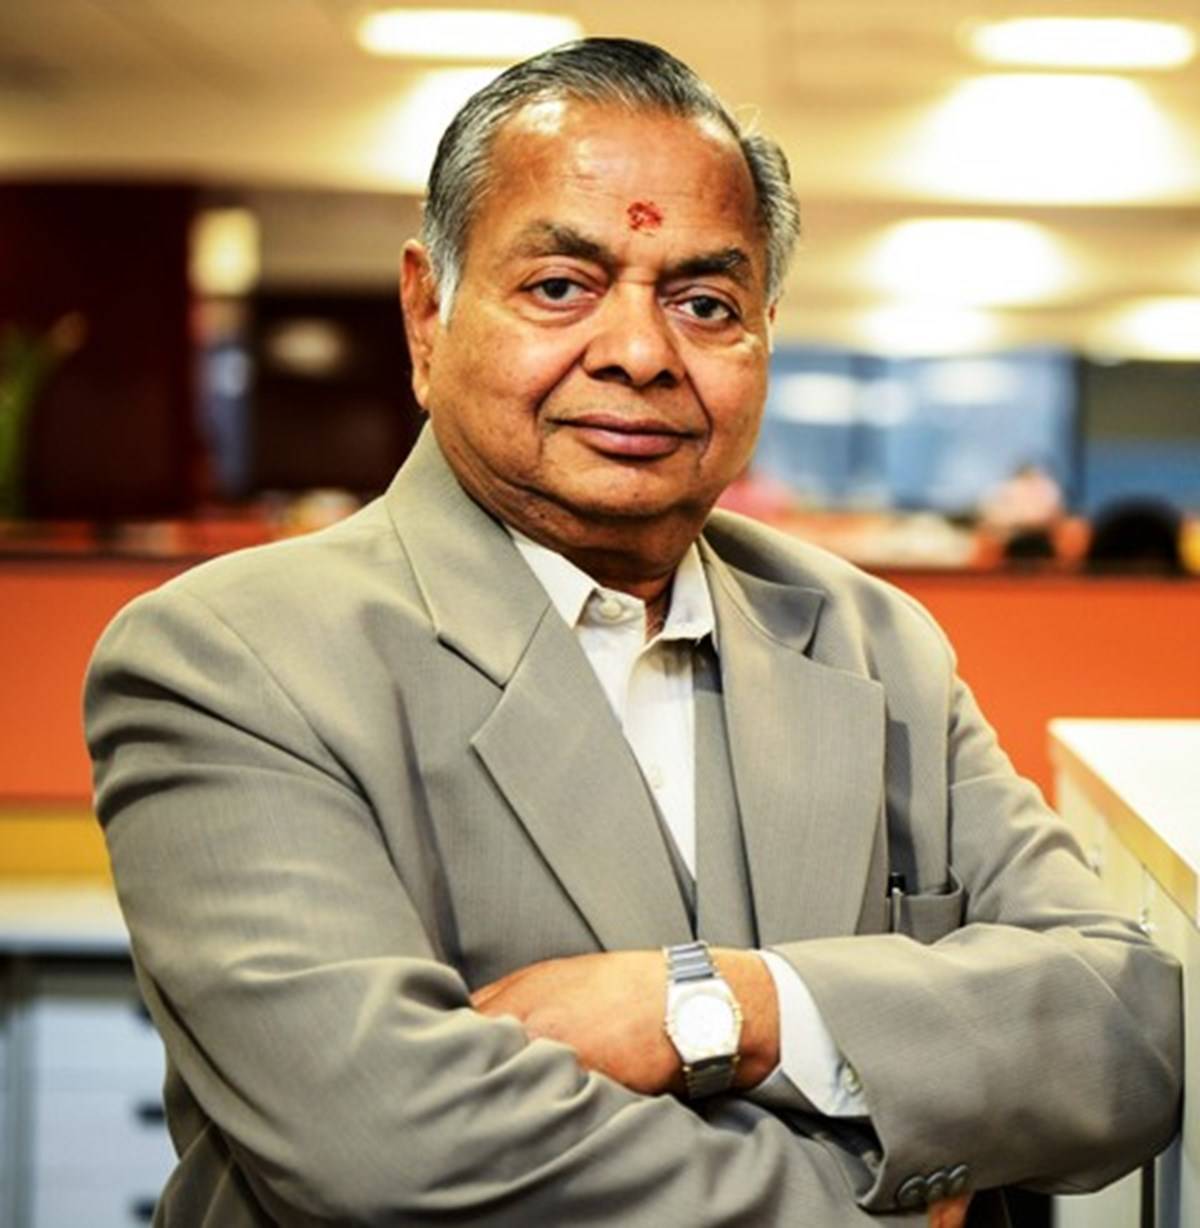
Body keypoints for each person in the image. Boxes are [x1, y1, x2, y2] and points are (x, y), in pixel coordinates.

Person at [84, 38, 1180, 1228]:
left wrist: (729, 1008)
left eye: (705, 304)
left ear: (765, 331)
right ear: (426, 314)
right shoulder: (231, 660)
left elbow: (1125, 1030)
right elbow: (392, 1156)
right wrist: (891, 1174)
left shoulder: (876, 642)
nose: (642, 353)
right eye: (561, 286)